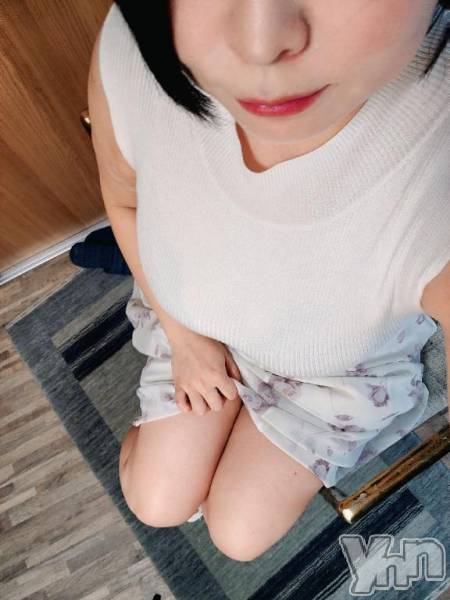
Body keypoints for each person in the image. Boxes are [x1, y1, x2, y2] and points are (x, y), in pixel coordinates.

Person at [87, 0, 450, 562]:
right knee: (157, 501)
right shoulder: (132, 47)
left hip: (332, 381)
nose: (260, 45)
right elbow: (126, 198)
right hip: (193, 325)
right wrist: (186, 342)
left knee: (240, 535)